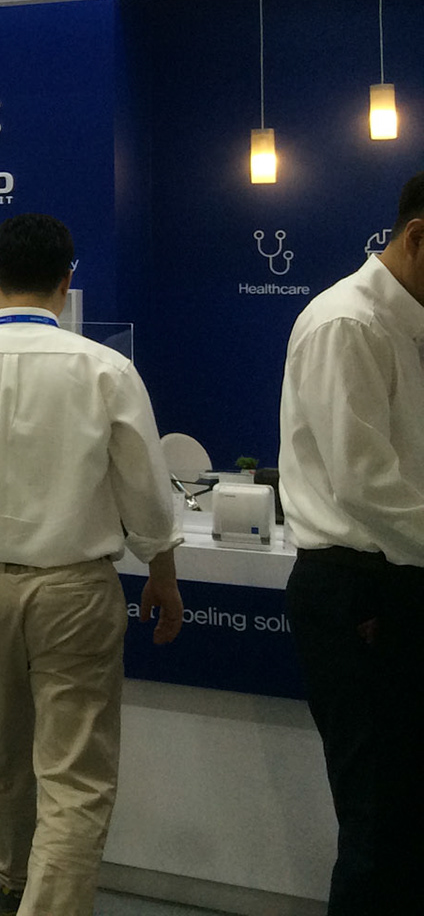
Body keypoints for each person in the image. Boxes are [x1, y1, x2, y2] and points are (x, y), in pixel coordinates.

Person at [0, 213, 182, 916]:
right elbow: (145, 488)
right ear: (66, 280)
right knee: (75, 771)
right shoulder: (105, 368)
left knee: (1, 746)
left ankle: (9, 882)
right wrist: (161, 569)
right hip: (74, 588)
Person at [278, 173, 424, 915]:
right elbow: (366, 483)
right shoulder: (349, 323)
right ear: (418, 237)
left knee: (406, 808)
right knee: (377, 813)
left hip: (396, 581)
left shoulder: (404, 323)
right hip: (358, 588)